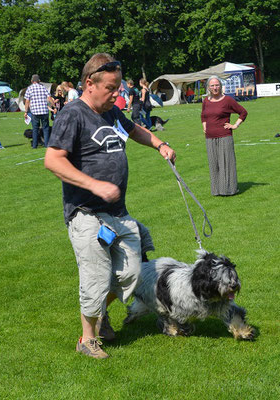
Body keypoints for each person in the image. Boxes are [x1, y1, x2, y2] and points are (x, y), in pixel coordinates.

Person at [44, 53, 175, 359]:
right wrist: (94, 184)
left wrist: (160, 144)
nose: (119, 94)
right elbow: (52, 159)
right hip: (85, 213)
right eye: (112, 87)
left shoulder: (110, 112)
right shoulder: (73, 114)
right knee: (96, 276)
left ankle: (99, 315)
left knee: (130, 273)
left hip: (117, 213)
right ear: (90, 83)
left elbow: (133, 129)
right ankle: (88, 339)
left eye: (119, 87)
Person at [200, 76, 248, 196]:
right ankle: (217, 190)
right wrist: (204, 126)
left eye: (217, 85)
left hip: (224, 136)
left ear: (220, 86)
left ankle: (229, 189)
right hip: (210, 137)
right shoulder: (206, 100)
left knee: (226, 163)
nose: (215, 88)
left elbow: (243, 112)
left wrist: (235, 125)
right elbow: (203, 115)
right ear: (208, 87)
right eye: (212, 85)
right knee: (214, 164)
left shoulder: (227, 100)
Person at [24, 74, 52, 149]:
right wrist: (54, 106)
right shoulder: (43, 87)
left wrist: (26, 111)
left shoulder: (29, 89)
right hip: (44, 111)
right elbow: (49, 98)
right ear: (39, 80)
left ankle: (34, 145)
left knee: (35, 129)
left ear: (31, 81)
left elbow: (27, 101)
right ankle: (47, 144)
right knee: (45, 128)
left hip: (35, 112)